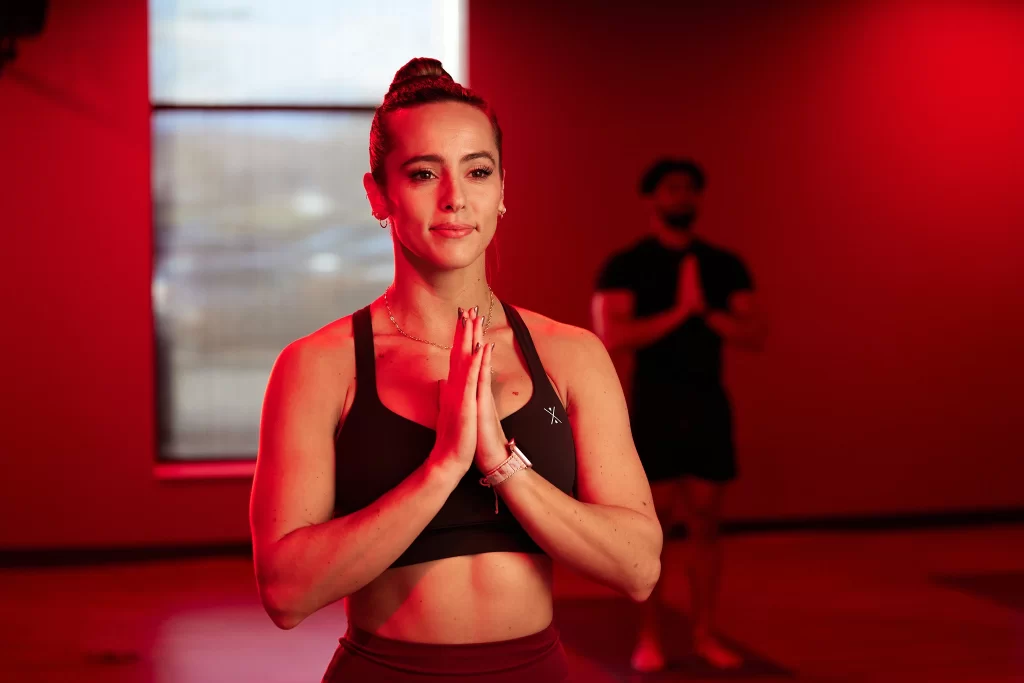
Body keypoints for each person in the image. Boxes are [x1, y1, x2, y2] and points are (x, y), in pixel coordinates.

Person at [249, 58, 662, 682]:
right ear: (377, 194)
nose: (455, 198)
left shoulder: (571, 354)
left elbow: (638, 568)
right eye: (423, 173)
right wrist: (442, 467)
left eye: (477, 171)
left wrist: (501, 465)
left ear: (501, 191)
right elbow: (285, 593)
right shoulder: (319, 366)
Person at [592, 158, 765, 672]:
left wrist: (705, 310)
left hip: (708, 404)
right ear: (653, 199)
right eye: (672, 189)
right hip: (655, 406)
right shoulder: (625, 266)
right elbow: (613, 337)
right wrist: (680, 312)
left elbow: (755, 333)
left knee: (708, 523)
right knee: (654, 527)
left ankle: (706, 632)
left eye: (690, 189)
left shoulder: (724, 265)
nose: (682, 197)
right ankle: (650, 638)